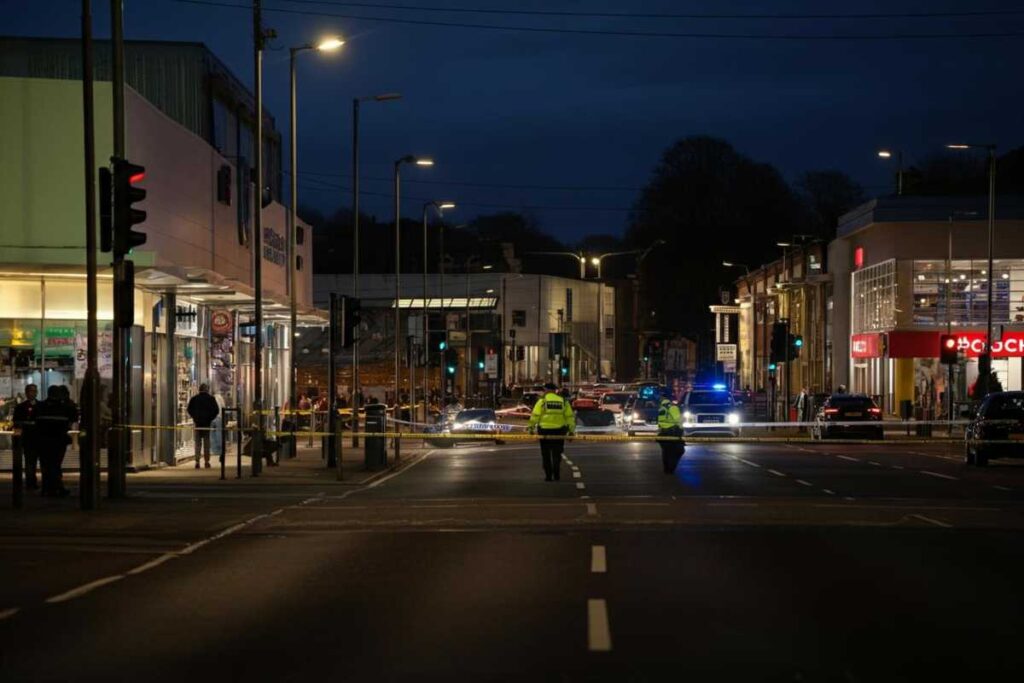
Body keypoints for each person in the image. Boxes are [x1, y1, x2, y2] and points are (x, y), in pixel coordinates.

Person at [527, 382, 576, 481]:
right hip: (559, 431)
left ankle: (548, 476)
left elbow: (535, 416)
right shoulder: (563, 401)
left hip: (544, 431)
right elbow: (569, 417)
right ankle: (556, 473)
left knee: (545, 454)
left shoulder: (542, 401)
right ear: (555, 390)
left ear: (546, 390)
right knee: (557, 453)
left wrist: (531, 428)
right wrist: (571, 431)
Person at [34, 385, 74, 497]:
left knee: (46, 464)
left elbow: (35, 423)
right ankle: (57, 487)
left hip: (43, 441)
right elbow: (72, 419)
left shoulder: (40, 406)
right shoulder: (64, 407)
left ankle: (47, 487)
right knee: (56, 464)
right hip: (59, 440)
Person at [12, 384, 40, 489]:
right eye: (30, 391)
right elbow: (16, 422)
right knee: (30, 462)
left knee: (35, 462)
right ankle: (30, 482)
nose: (32, 393)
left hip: (38, 438)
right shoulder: (20, 407)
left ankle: (34, 482)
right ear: (26, 392)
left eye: (34, 391)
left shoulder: (40, 406)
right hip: (28, 439)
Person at [187, 383, 220, 468]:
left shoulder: (194, 399)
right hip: (206, 424)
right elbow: (216, 410)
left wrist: (195, 417)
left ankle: (197, 461)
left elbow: (189, 409)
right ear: (207, 389)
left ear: (199, 389)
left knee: (197, 443)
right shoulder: (211, 399)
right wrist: (210, 418)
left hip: (197, 424)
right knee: (206, 443)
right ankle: (206, 461)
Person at [656, 390, 684, 474]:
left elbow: (660, 422)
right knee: (679, 450)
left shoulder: (661, 408)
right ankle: (671, 469)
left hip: (662, 433)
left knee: (666, 452)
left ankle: (667, 469)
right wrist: (681, 430)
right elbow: (678, 420)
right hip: (672, 432)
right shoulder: (672, 407)